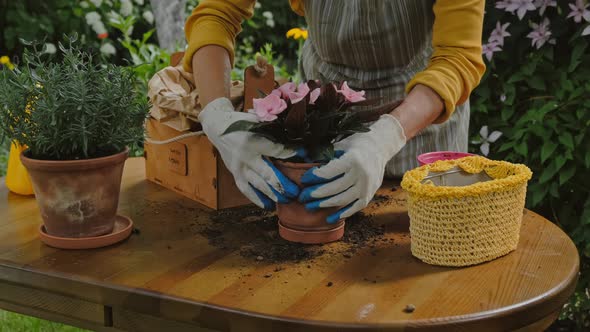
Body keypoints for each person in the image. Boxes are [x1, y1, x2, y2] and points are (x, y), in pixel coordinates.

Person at [184, 0, 485, 223]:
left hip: (420, 121)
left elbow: (457, 58)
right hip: (324, 124)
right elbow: (217, 14)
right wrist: (217, 116)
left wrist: (386, 137)